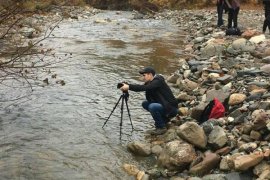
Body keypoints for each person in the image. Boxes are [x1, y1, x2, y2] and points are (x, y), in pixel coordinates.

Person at [120, 67, 178, 135]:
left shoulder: (158, 81)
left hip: (171, 109)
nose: (143, 77)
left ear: (150, 74)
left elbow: (145, 88)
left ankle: (161, 127)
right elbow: (140, 88)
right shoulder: (150, 83)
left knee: (152, 106)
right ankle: (164, 120)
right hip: (165, 106)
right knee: (145, 104)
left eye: (144, 75)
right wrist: (127, 86)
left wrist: (129, 87)